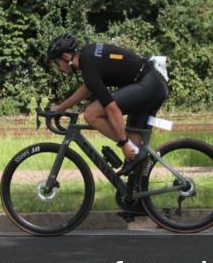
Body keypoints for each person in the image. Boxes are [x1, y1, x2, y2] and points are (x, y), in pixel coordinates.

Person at [46, 33, 168, 174]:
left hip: (148, 86)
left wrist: (124, 143)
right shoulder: (88, 55)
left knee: (92, 114)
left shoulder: (89, 67)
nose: (58, 68)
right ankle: (137, 187)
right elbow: (87, 88)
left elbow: (112, 109)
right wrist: (60, 108)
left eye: (57, 63)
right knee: (135, 158)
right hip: (150, 83)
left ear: (66, 56)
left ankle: (130, 146)